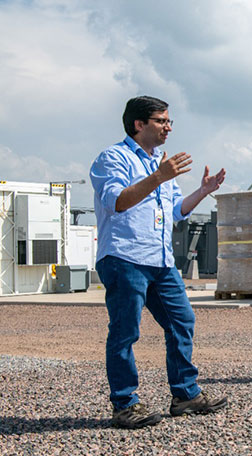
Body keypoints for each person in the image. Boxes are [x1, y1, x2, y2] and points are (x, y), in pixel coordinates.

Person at [90, 96, 228, 429]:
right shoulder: (113, 158)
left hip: (161, 262)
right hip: (125, 258)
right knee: (125, 332)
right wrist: (159, 176)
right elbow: (118, 202)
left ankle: (185, 395)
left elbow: (177, 210)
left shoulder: (160, 163)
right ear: (139, 124)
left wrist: (202, 192)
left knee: (182, 322)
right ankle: (125, 404)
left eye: (170, 122)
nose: (168, 127)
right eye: (161, 121)